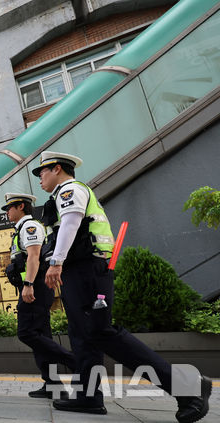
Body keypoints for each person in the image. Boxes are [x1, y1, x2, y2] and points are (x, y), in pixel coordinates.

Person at [33, 151, 211, 422]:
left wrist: (56, 262)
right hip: (79, 271)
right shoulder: (61, 195)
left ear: (57, 168)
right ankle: (88, 398)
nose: (40, 179)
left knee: (102, 332)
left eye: (42, 172)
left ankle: (190, 388)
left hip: (87, 269)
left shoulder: (69, 189)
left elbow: (70, 223)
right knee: (82, 334)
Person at [2, 193, 75, 398]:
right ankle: (53, 385)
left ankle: (75, 362)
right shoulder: (20, 230)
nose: (7, 212)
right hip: (35, 287)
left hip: (35, 288)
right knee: (41, 336)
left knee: (27, 333)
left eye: (9, 208)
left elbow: (34, 256)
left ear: (21, 207)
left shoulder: (29, 227)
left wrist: (28, 284)